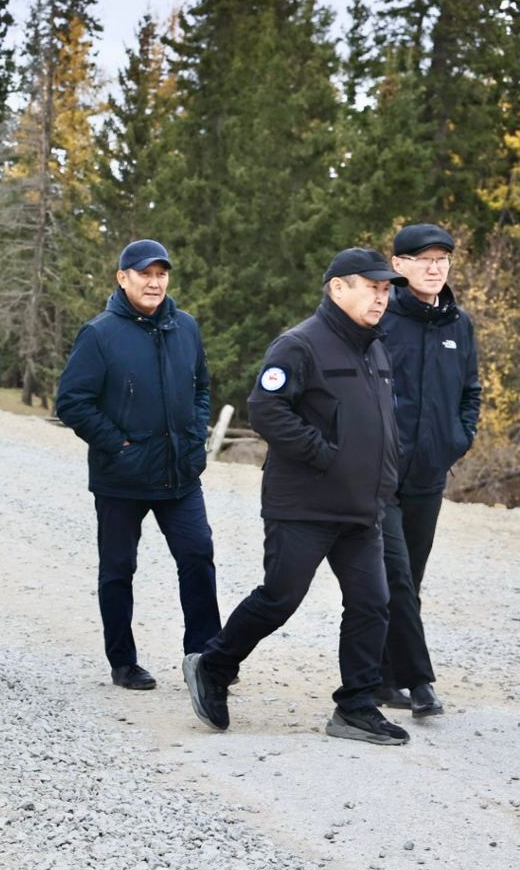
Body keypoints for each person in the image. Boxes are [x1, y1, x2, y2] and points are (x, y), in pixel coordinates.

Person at [184, 248, 410, 746]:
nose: (382, 296)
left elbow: (380, 422)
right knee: (280, 598)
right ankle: (213, 667)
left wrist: (387, 472)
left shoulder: (375, 347)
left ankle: (356, 706)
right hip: (304, 505)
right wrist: (323, 454)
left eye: (386, 288)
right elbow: (266, 408)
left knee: (373, 603)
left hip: (361, 506)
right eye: (371, 286)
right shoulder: (300, 345)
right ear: (337, 288)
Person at [55, 239, 221, 691]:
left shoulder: (185, 327)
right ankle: (123, 662)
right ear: (122, 277)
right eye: (144, 273)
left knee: (197, 555)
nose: (154, 282)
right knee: (118, 569)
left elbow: (202, 387)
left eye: (160, 274)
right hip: (121, 477)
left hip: (180, 473)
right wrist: (119, 446)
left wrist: (195, 434)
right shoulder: (100, 333)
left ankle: (208, 655)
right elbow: (72, 401)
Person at [375, 223, 481, 718]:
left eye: (442, 258)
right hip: (381, 474)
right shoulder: (379, 317)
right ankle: (420, 683)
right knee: (394, 576)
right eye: (423, 258)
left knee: (407, 579)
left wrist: (457, 439)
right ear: (399, 265)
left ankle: (380, 677)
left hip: (429, 475)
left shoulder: (458, 325)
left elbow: (471, 391)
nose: (435, 267)